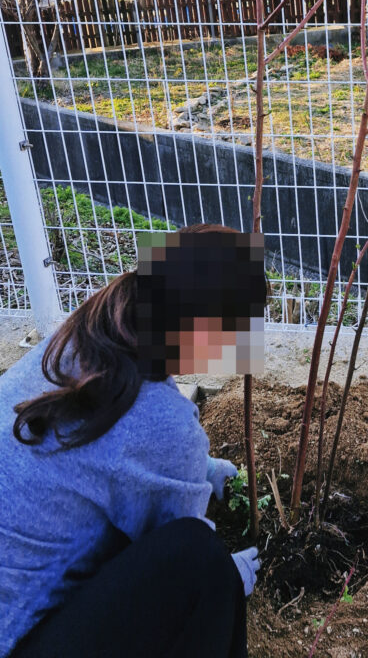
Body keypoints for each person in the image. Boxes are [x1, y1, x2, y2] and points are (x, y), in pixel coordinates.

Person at [0, 223, 267, 658]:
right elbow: (177, 548)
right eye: (238, 330)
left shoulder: (83, 336)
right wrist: (228, 578)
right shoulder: (166, 425)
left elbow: (107, 455)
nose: (242, 346)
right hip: (17, 641)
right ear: (204, 330)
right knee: (202, 563)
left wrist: (201, 469)